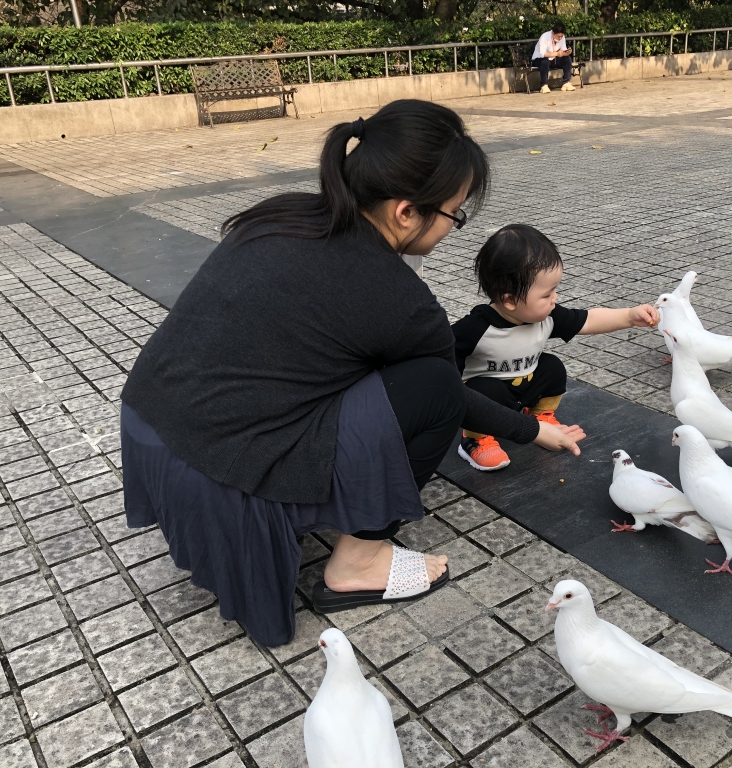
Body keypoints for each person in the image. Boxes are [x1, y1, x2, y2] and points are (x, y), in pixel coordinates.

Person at [118, 100, 586, 647]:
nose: (451, 229)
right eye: (453, 215)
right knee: (433, 388)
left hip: (151, 419)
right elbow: (448, 398)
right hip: (223, 462)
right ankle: (356, 566)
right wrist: (534, 430)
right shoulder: (396, 297)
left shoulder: (285, 212)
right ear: (406, 211)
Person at [453, 224, 659, 471]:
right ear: (509, 300)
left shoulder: (548, 316)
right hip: (489, 397)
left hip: (524, 386)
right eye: (546, 294)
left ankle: (540, 418)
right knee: (486, 390)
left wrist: (628, 316)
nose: (555, 298)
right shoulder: (476, 328)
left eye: (555, 290)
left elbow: (587, 320)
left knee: (552, 368)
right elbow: (442, 360)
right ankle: (475, 439)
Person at [532, 22, 575, 93]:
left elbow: (563, 50)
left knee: (567, 59)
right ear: (553, 34)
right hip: (538, 59)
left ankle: (566, 83)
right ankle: (544, 85)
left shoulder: (562, 37)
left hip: (553, 59)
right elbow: (543, 54)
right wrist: (557, 53)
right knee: (545, 61)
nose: (560, 38)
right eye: (558, 36)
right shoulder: (545, 37)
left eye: (562, 36)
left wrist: (567, 53)